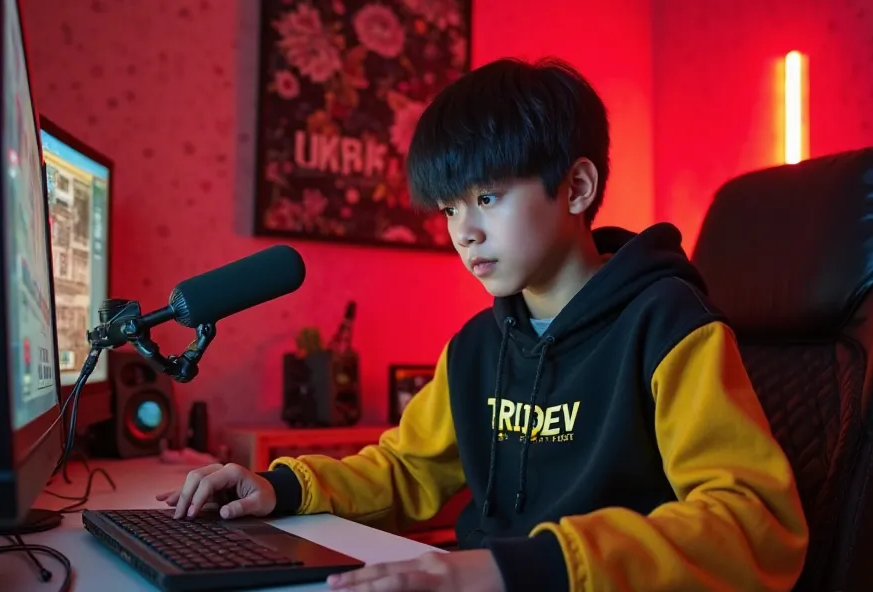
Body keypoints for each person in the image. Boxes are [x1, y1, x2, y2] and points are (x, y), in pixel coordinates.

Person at [157, 57, 809, 592]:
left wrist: (514, 568)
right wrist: (280, 487)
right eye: (448, 209)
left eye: (487, 198)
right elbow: (406, 470)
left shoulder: (669, 327)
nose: (463, 233)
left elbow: (751, 525)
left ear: (577, 187)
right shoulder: (475, 348)